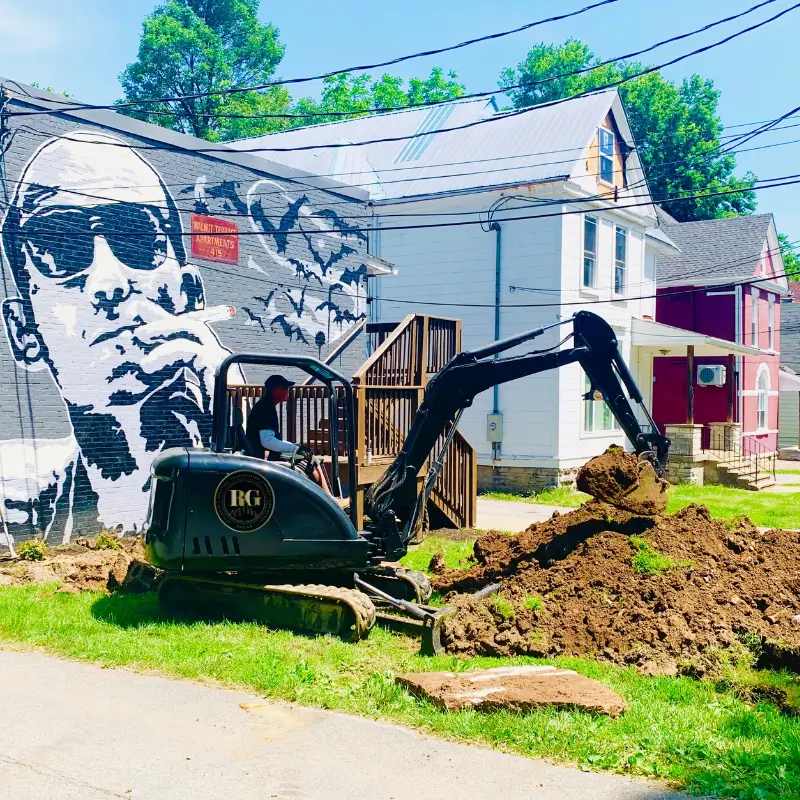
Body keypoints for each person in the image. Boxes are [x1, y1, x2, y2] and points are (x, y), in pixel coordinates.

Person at [0, 130, 240, 544]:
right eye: (63, 248)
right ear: (25, 331)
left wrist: (227, 399)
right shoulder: (18, 503)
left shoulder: (240, 463)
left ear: (189, 296)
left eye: (137, 236)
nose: (108, 282)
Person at [245, 374, 333, 495]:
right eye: (286, 388)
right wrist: (295, 449)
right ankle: (327, 500)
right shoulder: (265, 409)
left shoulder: (265, 406)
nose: (288, 391)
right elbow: (267, 441)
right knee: (310, 460)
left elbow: (271, 439)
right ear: (277, 390)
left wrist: (295, 447)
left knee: (312, 458)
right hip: (265, 456)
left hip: (267, 453)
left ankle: (328, 497)